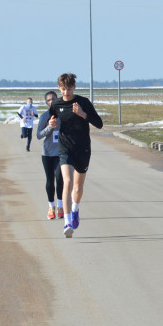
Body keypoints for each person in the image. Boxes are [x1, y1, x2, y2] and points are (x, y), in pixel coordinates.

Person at [47, 73, 103, 237]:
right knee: (68, 182)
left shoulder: (83, 102)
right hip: (65, 148)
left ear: (74, 87)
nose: (66, 93)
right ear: (59, 88)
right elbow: (52, 118)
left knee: (78, 188)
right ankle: (67, 223)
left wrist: (82, 114)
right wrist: (52, 124)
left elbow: (99, 124)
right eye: (63, 89)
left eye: (69, 89)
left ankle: (75, 209)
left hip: (83, 149)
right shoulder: (56, 104)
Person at [36, 90, 65, 220]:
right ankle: (51, 207)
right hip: (47, 153)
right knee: (50, 180)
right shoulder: (44, 117)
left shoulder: (63, 114)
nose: (51, 101)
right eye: (48, 100)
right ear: (46, 102)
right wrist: (49, 127)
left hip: (61, 152)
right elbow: (38, 135)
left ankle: (60, 206)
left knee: (60, 178)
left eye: (53, 98)